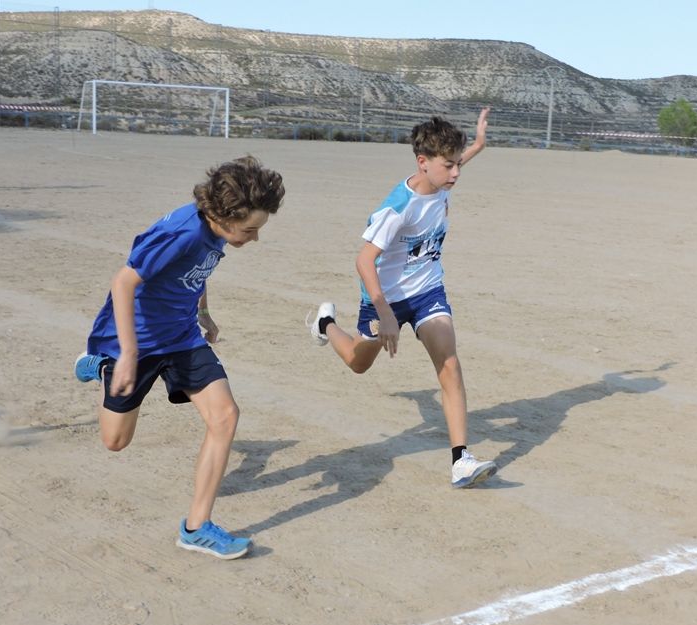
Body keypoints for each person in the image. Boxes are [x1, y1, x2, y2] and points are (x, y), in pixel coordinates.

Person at [74, 156, 285, 560]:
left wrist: (203, 313)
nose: (255, 238)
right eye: (250, 230)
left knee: (225, 416)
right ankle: (101, 364)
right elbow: (123, 281)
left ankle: (196, 528)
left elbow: (196, 272)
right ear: (224, 216)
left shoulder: (217, 229)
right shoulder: (182, 233)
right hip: (135, 341)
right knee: (115, 441)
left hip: (183, 337)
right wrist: (127, 354)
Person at [310, 109, 498, 489]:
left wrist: (479, 142)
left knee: (449, 362)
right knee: (358, 363)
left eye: (458, 164)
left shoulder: (441, 181)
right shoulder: (398, 207)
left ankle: (461, 460)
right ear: (423, 162)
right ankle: (325, 323)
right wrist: (385, 313)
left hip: (428, 290)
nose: (456, 173)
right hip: (385, 299)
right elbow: (364, 260)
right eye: (449, 166)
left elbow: (458, 160)